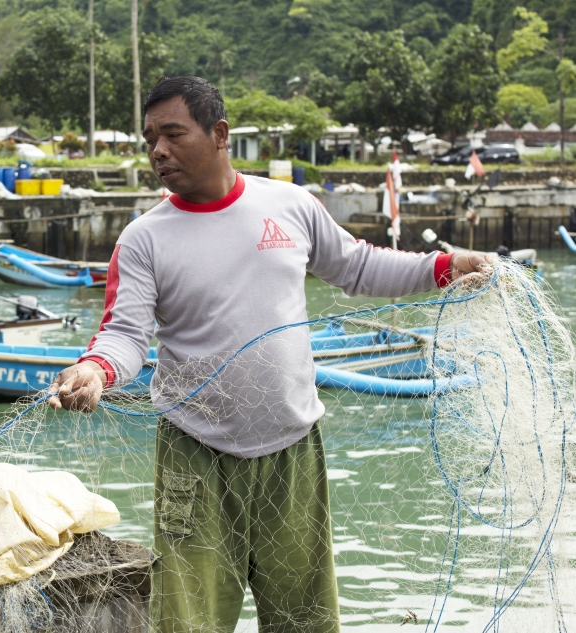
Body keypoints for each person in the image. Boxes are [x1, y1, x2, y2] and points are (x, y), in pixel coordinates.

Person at [48, 76, 491, 633]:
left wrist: (444, 267)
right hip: (196, 456)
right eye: (149, 139)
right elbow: (125, 334)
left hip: (294, 452)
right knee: (189, 622)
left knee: (305, 620)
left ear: (219, 134)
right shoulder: (143, 239)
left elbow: (357, 266)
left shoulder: (288, 205)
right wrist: (96, 368)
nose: (158, 151)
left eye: (172, 134)